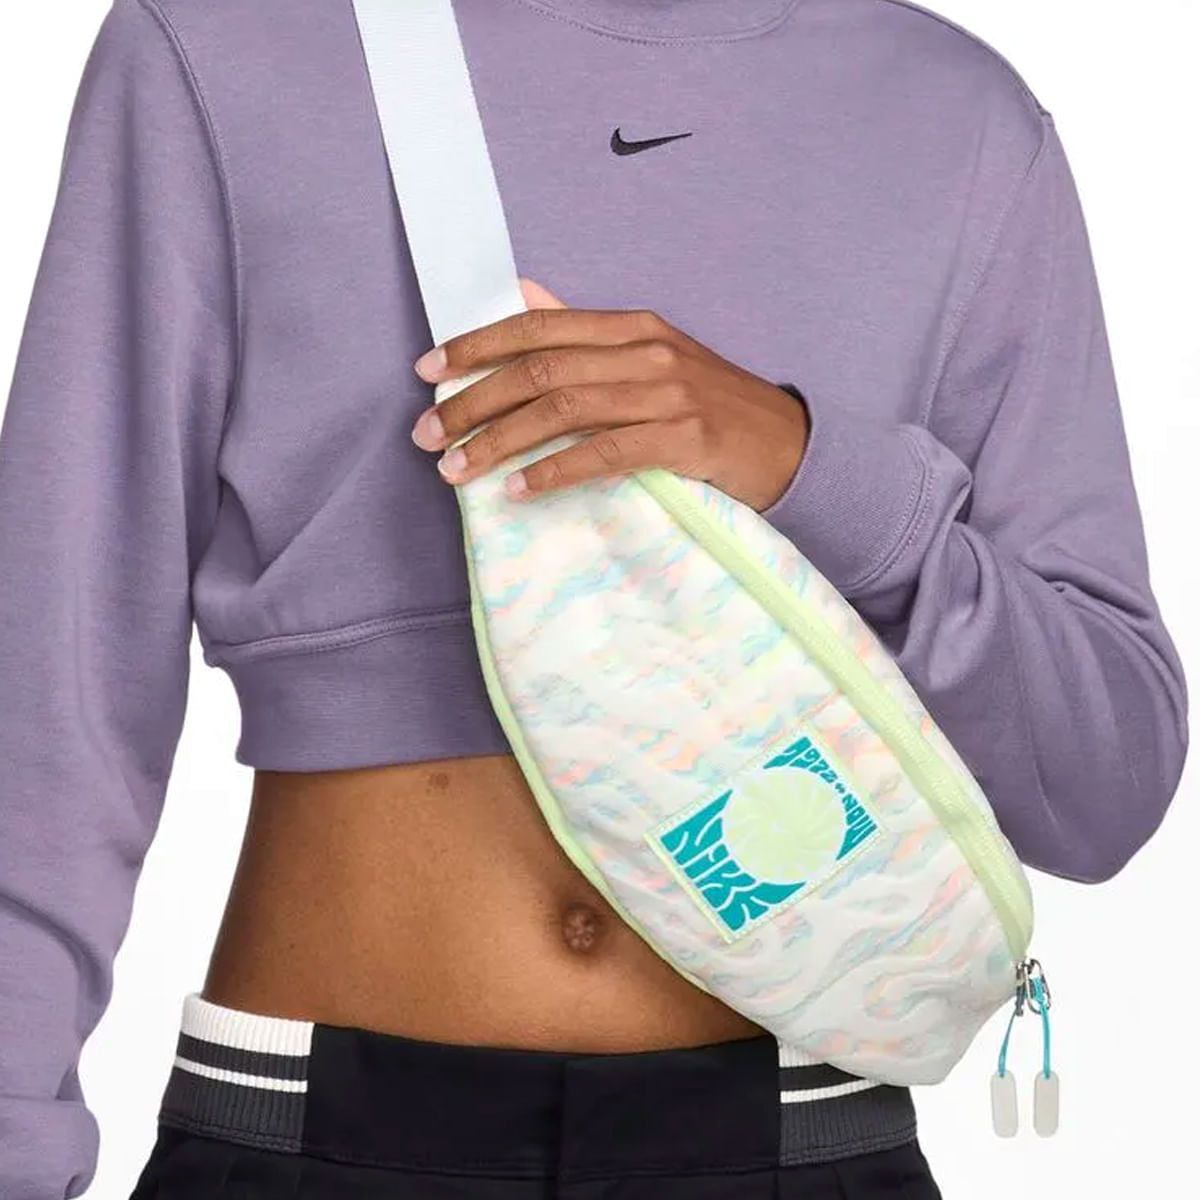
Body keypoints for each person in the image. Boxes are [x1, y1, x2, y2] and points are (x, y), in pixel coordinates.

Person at [0, 0, 1188, 1197]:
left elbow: (1105, 787)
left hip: (799, 1138)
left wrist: (807, 467)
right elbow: (50, 696)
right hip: (311, 1129)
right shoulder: (225, 44)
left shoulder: (959, 120)